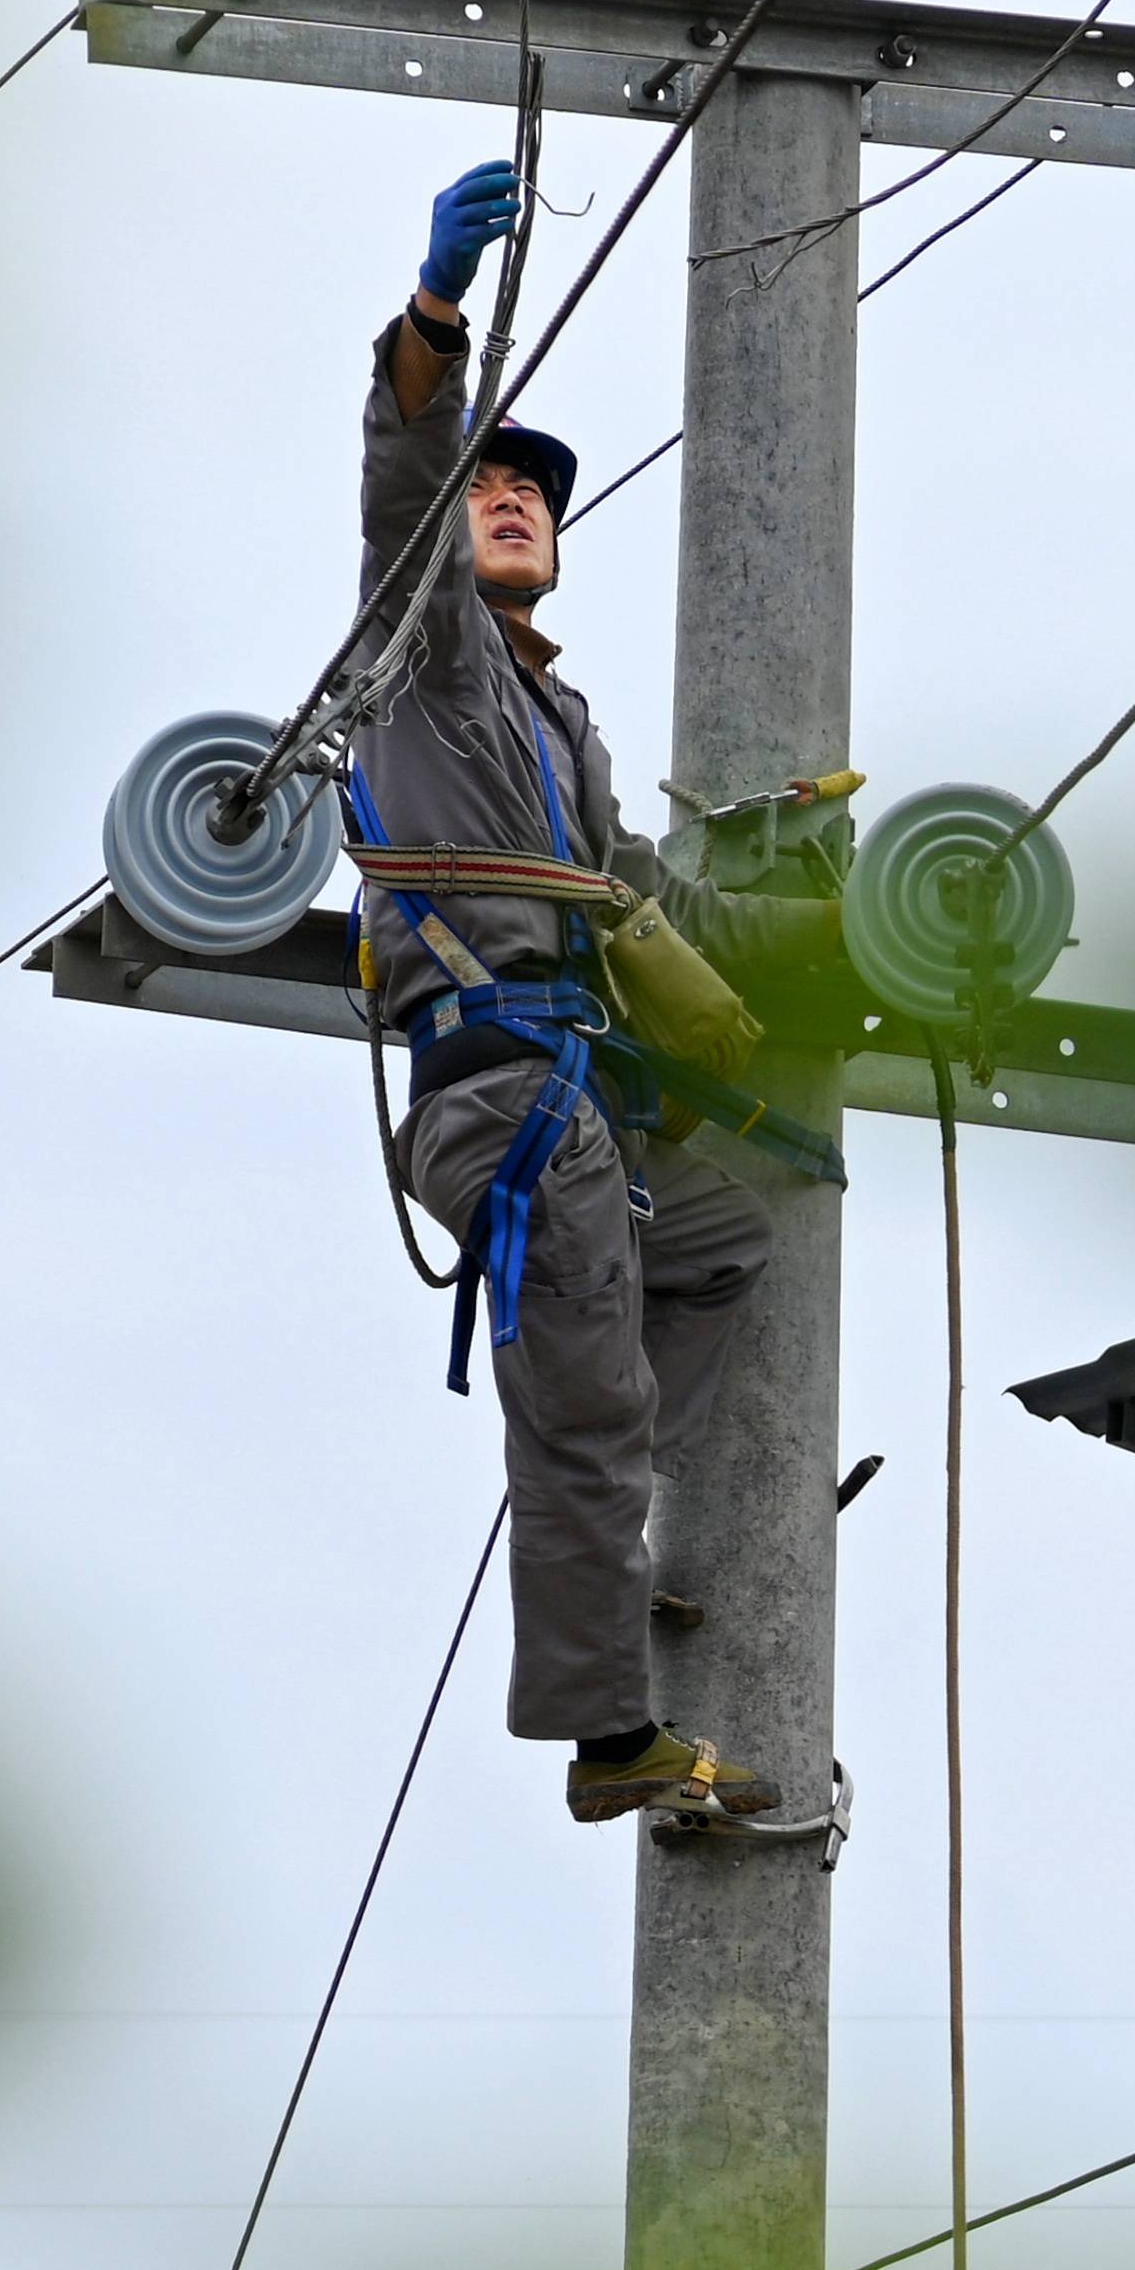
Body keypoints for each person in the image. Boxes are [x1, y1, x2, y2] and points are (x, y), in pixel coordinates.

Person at [352, 158, 831, 1824]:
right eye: (488, 485)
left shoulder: (561, 729)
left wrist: (835, 940)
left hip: (581, 1113)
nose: (508, 502)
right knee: (582, 1410)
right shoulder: (427, 659)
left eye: (533, 494)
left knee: (717, 1245)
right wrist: (433, 321)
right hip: (502, 1099)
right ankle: (605, 1728)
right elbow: (400, 494)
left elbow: (651, 894)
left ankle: (607, 1507)